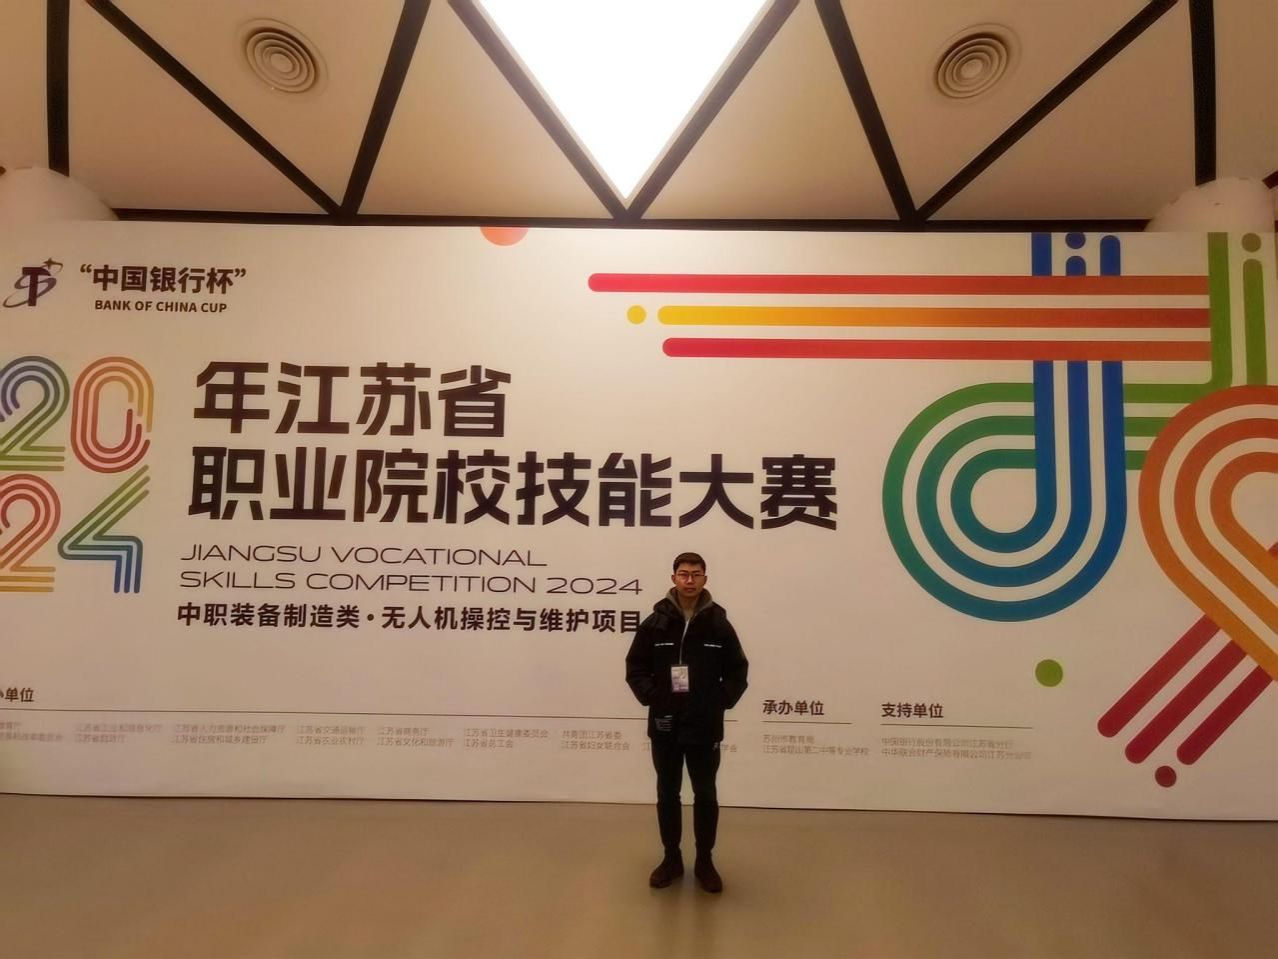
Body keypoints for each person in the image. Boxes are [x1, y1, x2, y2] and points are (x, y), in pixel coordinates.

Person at [624, 552, 749, 893]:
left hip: (704, 725)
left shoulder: (719, 624)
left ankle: (705, 861)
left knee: (705, 793)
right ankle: (671, 859)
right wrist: (655, 697)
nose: (689, 580)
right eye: (683, 574)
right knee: (667, 792)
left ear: (705, 578)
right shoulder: (655, 623)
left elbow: (738, 671)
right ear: (674, 578)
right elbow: (635, 668)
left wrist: (718, 702)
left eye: (696, 574)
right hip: (665, 723)